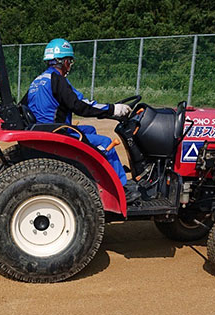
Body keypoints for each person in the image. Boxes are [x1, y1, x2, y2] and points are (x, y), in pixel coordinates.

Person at [22, 38, 140, 203]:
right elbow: (79, 105)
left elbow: (24, 105)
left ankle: (95, 175)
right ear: (62, 61)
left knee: (90, 130)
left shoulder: (38, 80)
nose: (69, 65)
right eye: (69, 61)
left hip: (45, 129)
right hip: (57, 132)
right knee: (106, 144)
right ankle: (122, 190)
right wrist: (113, 109)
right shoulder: (58, 80)